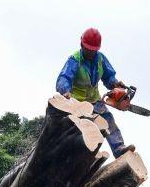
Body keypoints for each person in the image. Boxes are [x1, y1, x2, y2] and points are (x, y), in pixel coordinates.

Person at [55, 27, 135, 157]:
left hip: (95, 100)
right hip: (77, 103)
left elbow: (108, 76)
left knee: (108, 121)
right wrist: (65, 91)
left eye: (93, 50)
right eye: (88, 49)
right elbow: (64, 78)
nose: (91, 53)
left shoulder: (100, 59)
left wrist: (114, 84)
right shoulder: (74, 60)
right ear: (82, 45)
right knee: (81, 133)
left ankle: (119, 149)